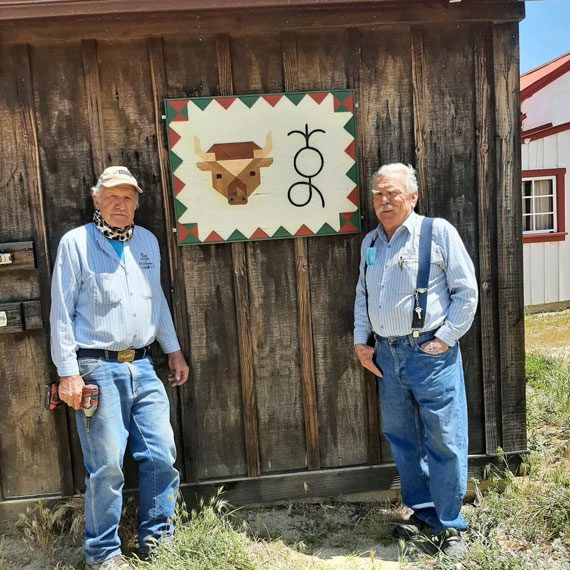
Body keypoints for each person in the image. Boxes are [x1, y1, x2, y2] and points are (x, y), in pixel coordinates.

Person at [50, 166, 189, 570]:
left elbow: (156, 299)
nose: (119, 203)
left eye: (128, 197)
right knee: (107, 467)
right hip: (95, 368)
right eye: (111, 196)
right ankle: (103, 554)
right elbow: (61, 313)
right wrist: (67, 372)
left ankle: (157, 542)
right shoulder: (76, 243)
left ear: (136, 203)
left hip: (144, 365)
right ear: (96, 200)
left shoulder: (146, 241)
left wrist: (174, 350)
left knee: (162, 455)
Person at [353, 163, 478, 558]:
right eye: (378, 194)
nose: (384, 200)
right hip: (387, 356)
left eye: (392, 193)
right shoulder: (371, 242)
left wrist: (445, 338)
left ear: (412, 196)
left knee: (444, 438)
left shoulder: (437, 233)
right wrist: (361, 343)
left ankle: (451, 525)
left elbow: (466, 291)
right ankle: (423, 514)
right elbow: (363, 295)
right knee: (402, 439)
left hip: (430, 354)